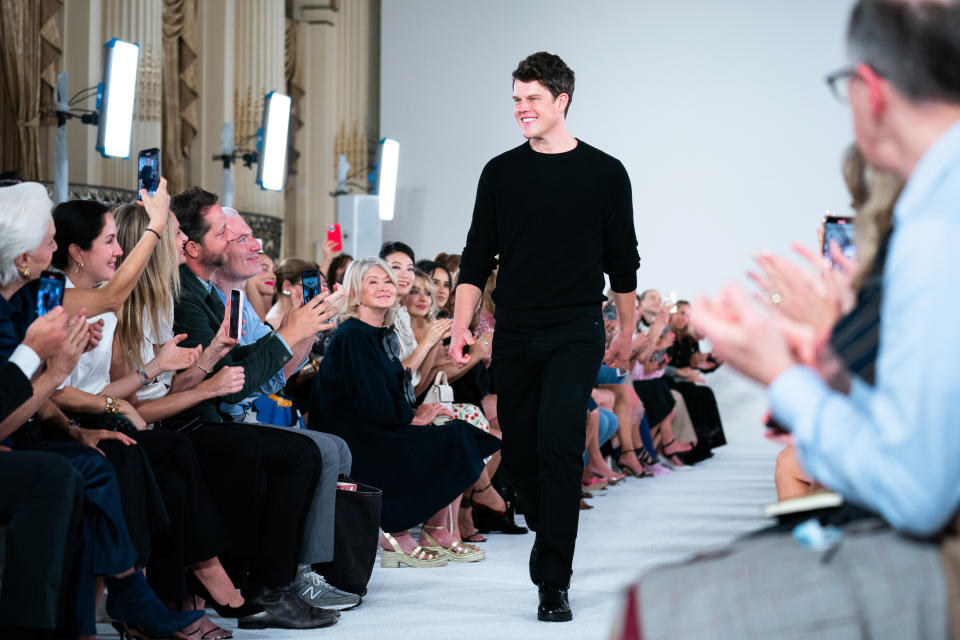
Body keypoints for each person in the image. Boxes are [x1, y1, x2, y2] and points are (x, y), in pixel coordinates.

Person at [618, 1, 960, 637]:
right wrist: (825, 351)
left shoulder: (938, 221)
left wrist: (781, 372)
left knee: (657, 614)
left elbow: (918, 493)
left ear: (872, 91)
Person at [452, 51, 640, 621]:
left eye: (532, 98)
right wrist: (461, 323)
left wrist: (627, 330)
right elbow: (476, 256)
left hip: (575, 330)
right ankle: (545, 530)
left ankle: (552, 578)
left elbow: (623, 264)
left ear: (562, 101)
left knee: (560, 444)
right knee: (527, 452)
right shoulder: (500, 172)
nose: (521, 109)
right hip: (516, 329)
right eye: (515, 98)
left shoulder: (606, 174)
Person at [169, 186, 340, 630]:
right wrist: (292, 331)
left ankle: (277, 583)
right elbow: (232, 382)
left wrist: (306, 324)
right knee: (272, 450)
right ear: (191, 246)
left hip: (213, 415)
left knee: (307, 452)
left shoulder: (207, 293)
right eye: (226, 233)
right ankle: (254, 585)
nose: (238, 242)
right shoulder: (190, 297)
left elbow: (264, 369)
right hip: (188, 421)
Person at [309, 258, 501, 567]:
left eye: (387, 281)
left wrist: (415, 411)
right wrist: (410, 417)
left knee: (457, 431)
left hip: (376, 424)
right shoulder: (352, 335)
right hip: (356, 437)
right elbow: (368, 400)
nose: (384, 287)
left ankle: (431, 529)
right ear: (356, 292)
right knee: (451, 437)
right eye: (373, 282)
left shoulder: (381, 334)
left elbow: (391, 388)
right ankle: (400, 530)